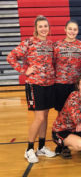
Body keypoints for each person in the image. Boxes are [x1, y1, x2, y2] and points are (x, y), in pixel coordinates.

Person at [7, 15, 56, 163]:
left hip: (49, 84)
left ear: (49, 28)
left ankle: (41, 147)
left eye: (45, 26)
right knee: (39, 117)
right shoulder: (29, 42)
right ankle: (29, 149)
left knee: (45, 116)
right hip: (35, 85)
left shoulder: (50, 44)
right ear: (36, 28)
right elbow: (11, 57)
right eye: (40, 26)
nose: (43, 29)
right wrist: (24, 70)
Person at [53, 20, 81, 115]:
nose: (72, 31)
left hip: (76, 84)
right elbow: (52, 62)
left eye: (75, 29)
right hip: (61, 83)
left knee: (76, 110)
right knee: (62, 111)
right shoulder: (57, 45)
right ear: (65, 29)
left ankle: (76, 130)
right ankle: (61, 129)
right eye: (70, 29)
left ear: (78, 31)